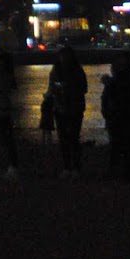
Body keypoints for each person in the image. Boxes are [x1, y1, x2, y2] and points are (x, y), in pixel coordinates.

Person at [48, 44, 88, 177]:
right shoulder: (73, 70)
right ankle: (69, 166)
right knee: (66, 138)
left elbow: (83, 88)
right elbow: (51, 87)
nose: (64, 58)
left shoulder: (73, 70)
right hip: (63, 107)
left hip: (72, 107)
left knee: (72, 138)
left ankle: (73, 167)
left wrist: (65, 88)